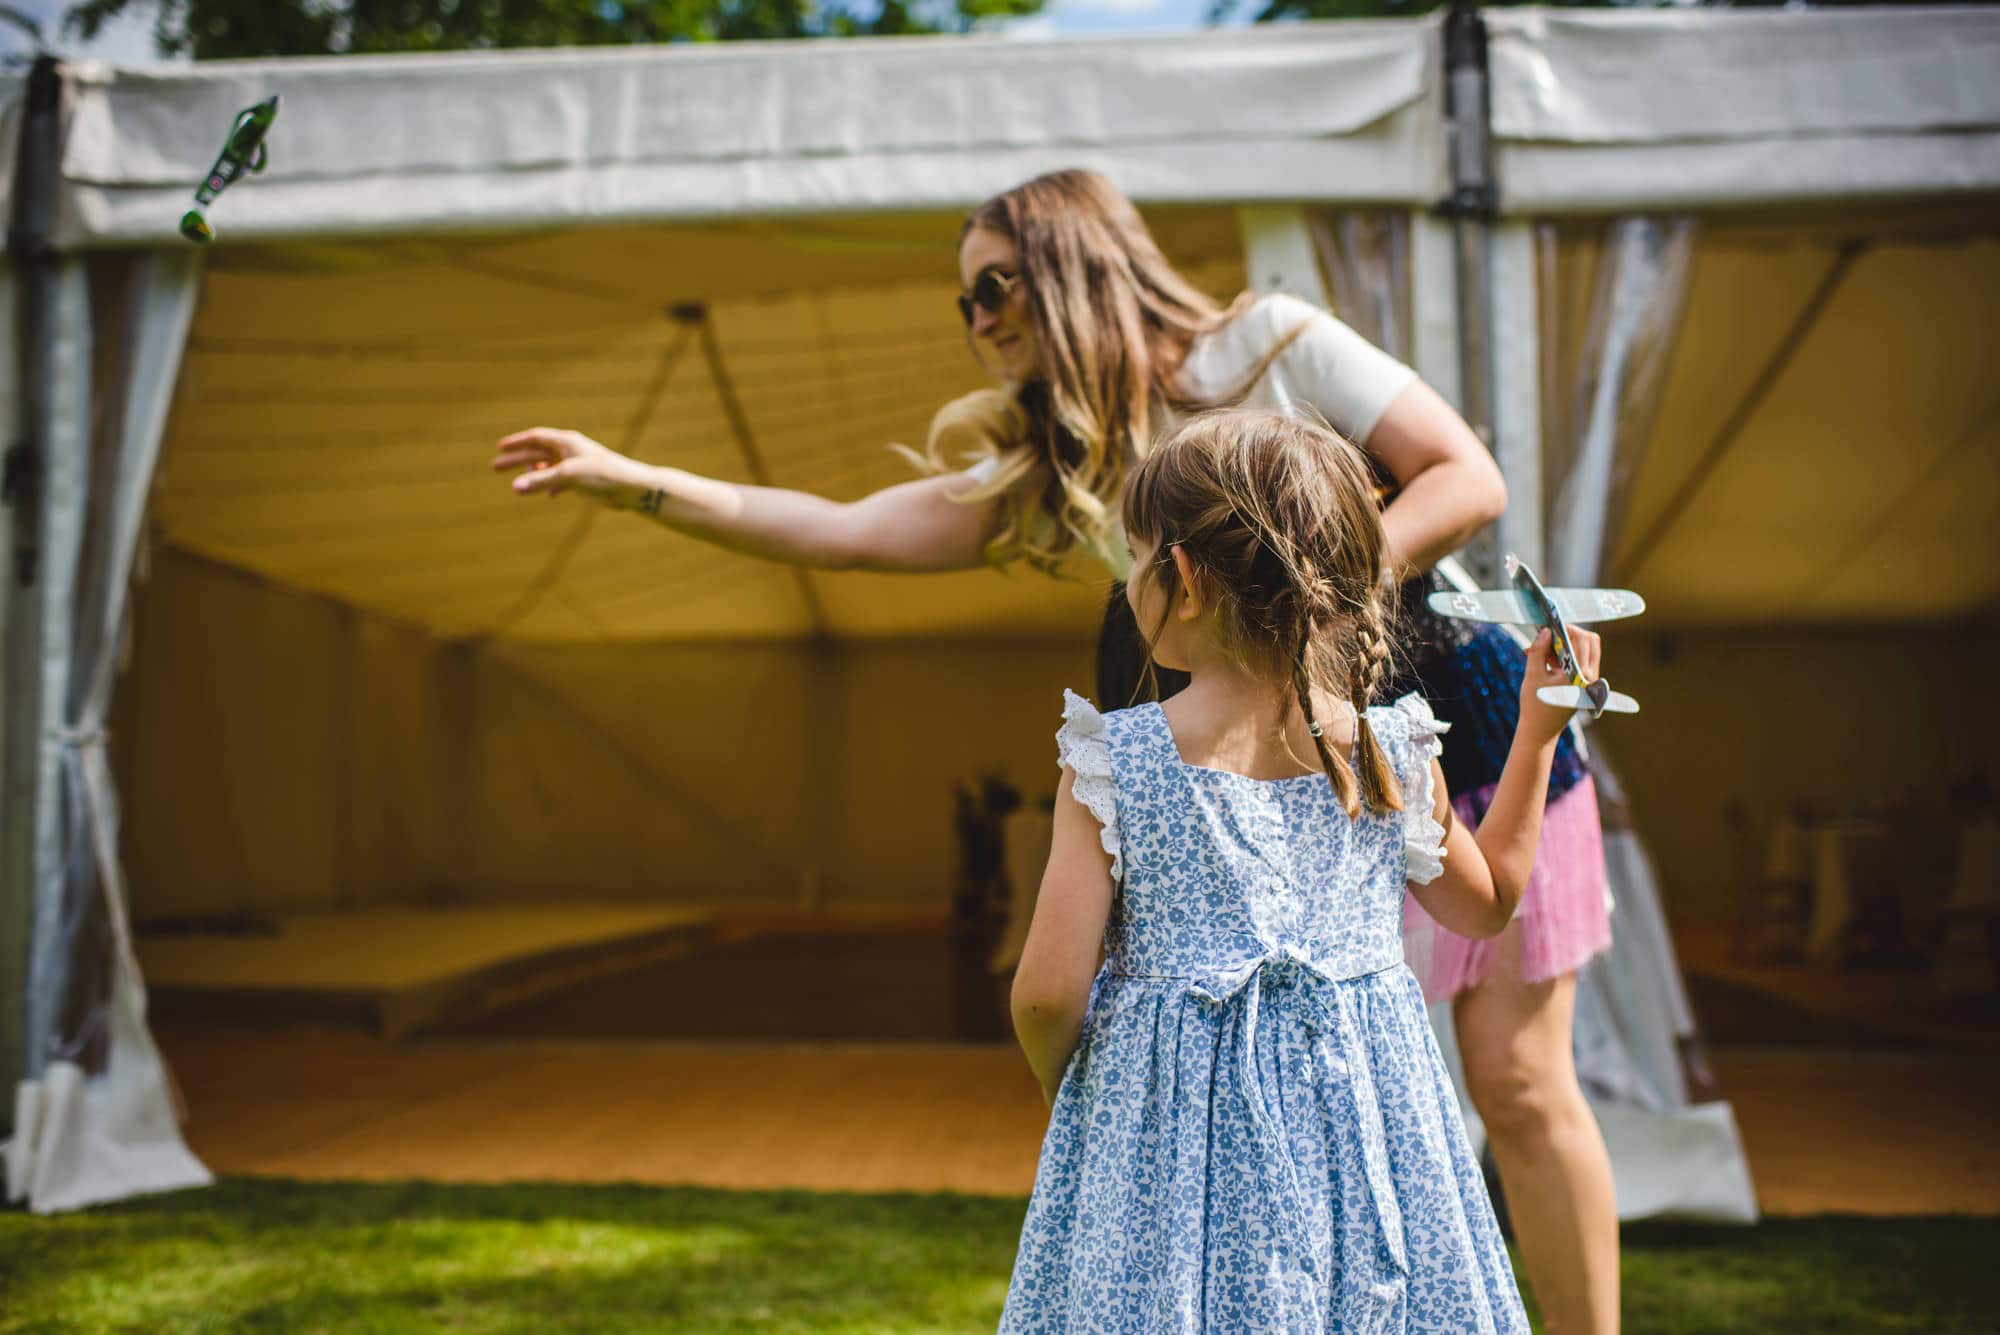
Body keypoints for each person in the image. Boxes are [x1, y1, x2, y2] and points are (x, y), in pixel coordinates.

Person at [490, 168, 1617, 1332]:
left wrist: (1301, 609)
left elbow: (1464, 476)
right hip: (1263, 742)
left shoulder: (1269, 341)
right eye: (962, 301)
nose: (976, 320)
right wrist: (638, 486)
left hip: (1443, 709)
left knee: (1519, 1086)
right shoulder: (1057, 469)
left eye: (993, 284)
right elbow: (842, 531)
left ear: (1073, 263)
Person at [1004, 408, 1597, 1331]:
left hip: (1167, 1158)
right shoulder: (1393, 753)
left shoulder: (1112, 763)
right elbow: (1489, 907)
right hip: (1364, 1148)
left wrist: (1072, 1085)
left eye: (1135, 557)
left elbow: (1046, 993)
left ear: (1185, 581)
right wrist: (1537, 729)